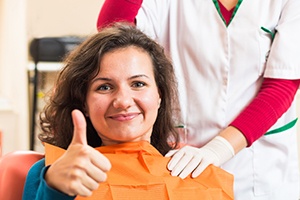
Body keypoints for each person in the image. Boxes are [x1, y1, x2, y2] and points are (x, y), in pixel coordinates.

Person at [97, 0, 300, 199]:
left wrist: (217, 150)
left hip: (258, 166)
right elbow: (115, 30)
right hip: (182, 161)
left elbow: (281, 87)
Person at [23, 23, 233, 200]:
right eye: (104, 87)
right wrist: (54, 189)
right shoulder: (51, 173)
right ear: (84, 103)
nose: (123, 101)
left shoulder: (197, 171)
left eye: (138, 84)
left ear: (159, 95)